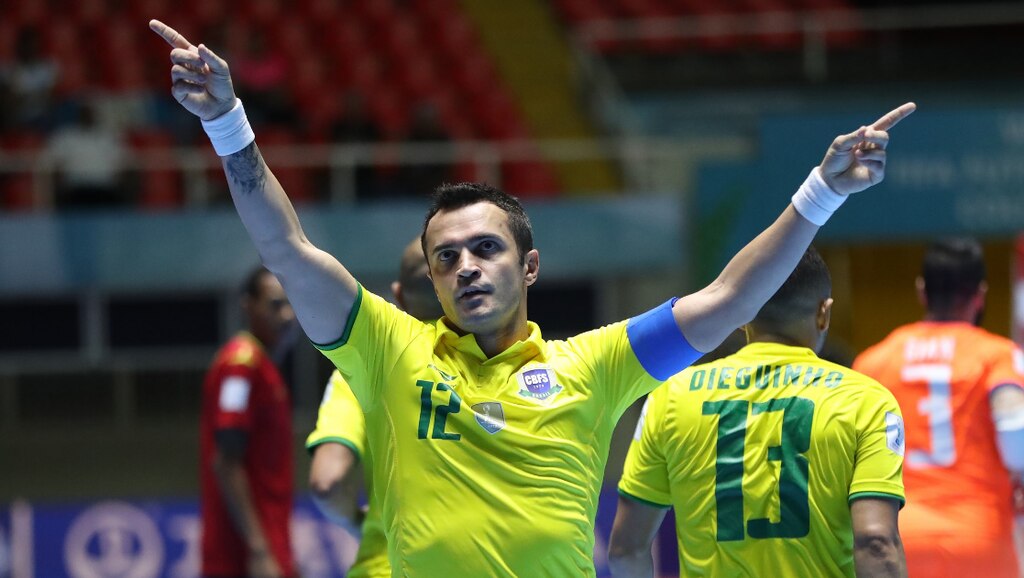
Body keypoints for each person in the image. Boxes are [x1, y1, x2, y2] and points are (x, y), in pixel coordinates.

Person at [150, 19, 914, 576]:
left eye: (486, 249)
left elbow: (728, 295)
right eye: (446, 258)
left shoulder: (597, 363)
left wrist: (822, 191)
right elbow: (286, 247)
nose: (466, 268)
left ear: (531, 266)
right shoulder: (388, 348)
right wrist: (227, 121)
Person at [608, 247, 907, 578]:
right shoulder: (867, 401)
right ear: (824, 313)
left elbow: (626, 552)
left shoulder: (671, 397)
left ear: (743, 312)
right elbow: (876, 542)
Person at [853, 238, 1024, 578]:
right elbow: (1014, 432)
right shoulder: (997, 355)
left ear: (921, 290)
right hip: (980, 537)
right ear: (981, 294)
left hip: (899, 539)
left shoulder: (873, 360)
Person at [306, 239, 443, 578]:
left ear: (398, 295)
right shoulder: (494, 362)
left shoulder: (365, 368)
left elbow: (327, 483)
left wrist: (360, 524)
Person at [200, 267, 297, 578]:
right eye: (275, 304)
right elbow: (226, 461)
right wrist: (259, 550)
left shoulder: (263, 365)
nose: (286, 315)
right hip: (240, 556)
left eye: (289, 303)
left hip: (270, 542)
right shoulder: (240, 367)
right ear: (248, 305)